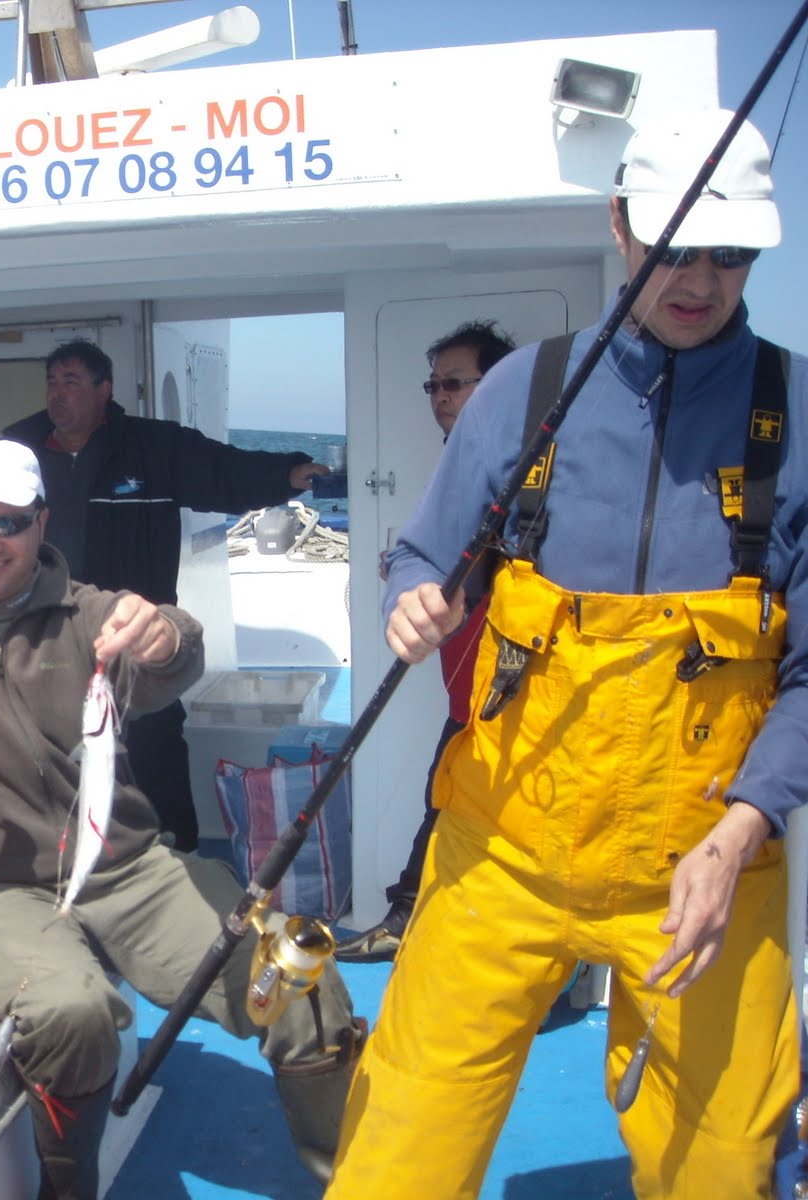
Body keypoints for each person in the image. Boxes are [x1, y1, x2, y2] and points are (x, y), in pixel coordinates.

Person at [329, 110, 806, 1198]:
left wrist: (738, 835)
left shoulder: (799, 413)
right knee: (400, 1145)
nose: (699, 277)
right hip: (499, 851)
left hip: (707, 874)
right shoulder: (521, 392)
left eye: (730, 252)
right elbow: (420, 553)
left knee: (723, 1166)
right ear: (621, 222)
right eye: (676, 243)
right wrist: (413, 599)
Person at [0, 439, 362, 1199]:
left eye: (9, 522)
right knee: (74, 1015)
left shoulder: (91, 616)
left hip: (127, 867)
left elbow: (172, 653)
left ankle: (360, 1174)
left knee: (300, 984)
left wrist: (167, 632)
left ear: (42, 521)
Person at [0, 341, 328, 851]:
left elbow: (222, 470)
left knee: (152, 739)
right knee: (50, 743)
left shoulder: (152, 447)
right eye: (52, 382)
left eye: (70, 381)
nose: (57, 394)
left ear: (103, 389)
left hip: (127, 630)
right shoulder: (23, 446)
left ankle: (179, 848)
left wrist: (287, 474)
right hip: (42, 631)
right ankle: (53, 855)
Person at [335, 319, 515, 963]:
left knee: (465, 798)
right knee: (448, 790)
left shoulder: (524, 458)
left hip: (503, 682)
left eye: (454, 384)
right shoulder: (464, 459)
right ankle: (412, 914)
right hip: (466, 680)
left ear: (497, 384)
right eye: (433, 385)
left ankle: (411, 917)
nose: (441, 397)